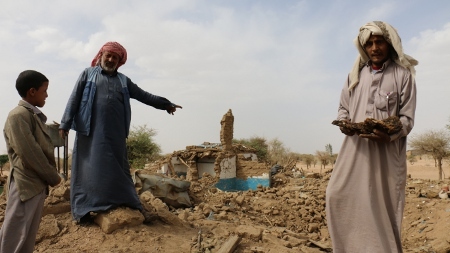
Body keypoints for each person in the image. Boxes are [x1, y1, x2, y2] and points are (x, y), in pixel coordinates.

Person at [59, 41, 182, 223]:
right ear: (101, 55)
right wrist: (65, 123)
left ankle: (126, 202)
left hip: (115, 133)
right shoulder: (87, 74)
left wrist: (165, 104)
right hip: (90, 132)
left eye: (115, 57)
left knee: (118, 169)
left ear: (119, 61)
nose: (110, 59)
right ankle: (84, 210)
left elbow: (144, 95)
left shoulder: (123, 81)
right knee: (87, 170)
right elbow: (74, 98)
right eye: (108, 55)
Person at [326, 21, 418, 252]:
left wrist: (390, 134)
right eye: (369, 44)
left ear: (389, 44)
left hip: (386, 152)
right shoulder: (355, 75)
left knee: (382, 206)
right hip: (355, 149)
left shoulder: (403, 75)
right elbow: (343, 108)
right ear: (364, 48)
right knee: (336, 195)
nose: (375, 47)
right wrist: (344, 123)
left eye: (379, 42)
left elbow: (407, 118)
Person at [1, 70, 62, 253]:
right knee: (14, 236)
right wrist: (54, 177)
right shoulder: (18, 115)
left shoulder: (31, 115)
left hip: (34, 185)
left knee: (26, 237)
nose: (47, 95)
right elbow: (31, 154)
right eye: (45, 90)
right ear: (32, 91)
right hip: (25, 185)